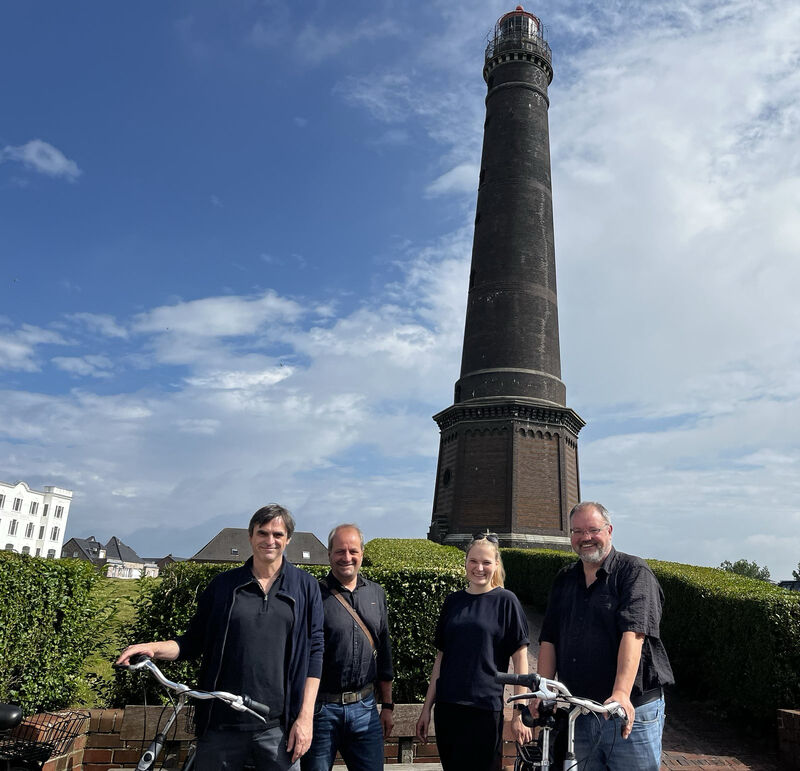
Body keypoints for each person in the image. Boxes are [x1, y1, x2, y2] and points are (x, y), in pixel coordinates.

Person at [117, 504, 324, 771]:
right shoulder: (224, 586)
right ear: (250, 537)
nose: (269, 541)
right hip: (220, 728)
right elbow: (192, 642)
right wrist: (153, 648)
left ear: (288, 539)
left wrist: (305, 718)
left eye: (277, 534)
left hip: (278, 728)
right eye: (262, 533)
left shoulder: (306, 587)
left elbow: (315, 653)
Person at [538, 501, 674, 770]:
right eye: (577, 531)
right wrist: (544, 690)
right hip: (581, 711)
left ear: (609, 530)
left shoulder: (633, 572)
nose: (585, 538)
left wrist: (621, 692)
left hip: (626, 711)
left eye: (593, 530)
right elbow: (549, 638)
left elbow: (634, 633)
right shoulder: (565, 578)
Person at [415, 533, 532, 771]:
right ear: (466, 562)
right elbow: (441, 659)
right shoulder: (452, 601)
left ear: (496, 565)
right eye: (473, 561)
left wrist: (519, 712)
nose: (479, 568)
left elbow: (520, 661)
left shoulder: (506, 601)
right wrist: (427, 708)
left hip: (485, 708)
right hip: (449, 707)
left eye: (486, 562)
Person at [302, 524, 394, 771]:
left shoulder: (376, 593)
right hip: (321, 710)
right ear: (329, 554)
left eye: (353, 551)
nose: (347, 557)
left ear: (362, 553)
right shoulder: (313, 594)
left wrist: (387, 705)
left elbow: (384, 653)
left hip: (365, 708)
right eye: (340, 551)